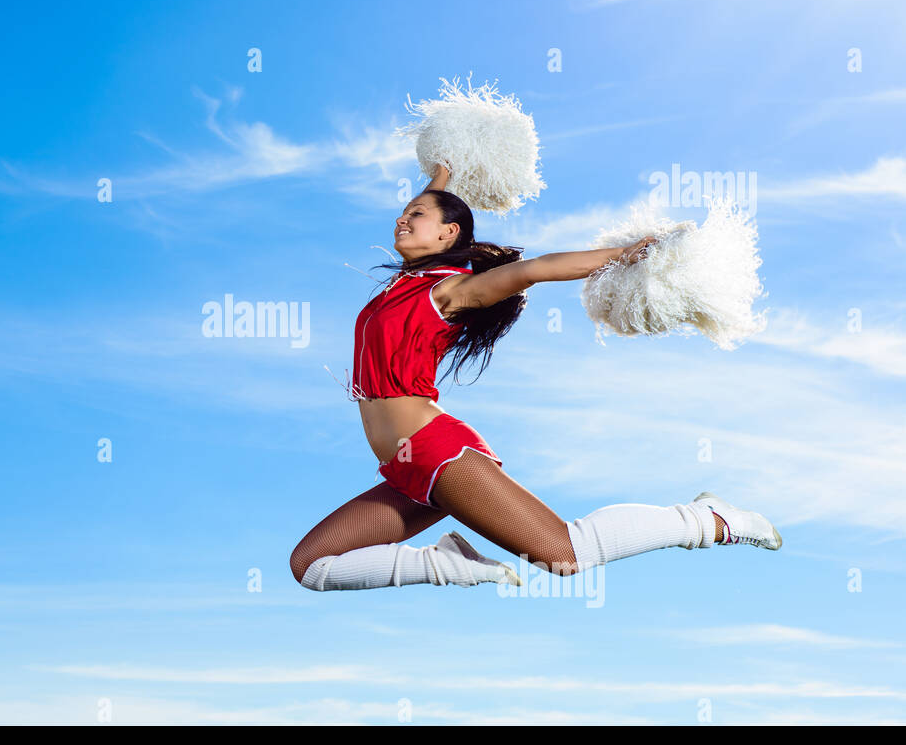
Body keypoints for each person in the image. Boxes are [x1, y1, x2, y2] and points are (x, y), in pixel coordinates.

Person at [291, 164, 781, 591]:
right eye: (406, 211)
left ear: (448, 235)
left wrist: (624, 252)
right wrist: (442, 173)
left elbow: (535, 270)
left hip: (436, 451)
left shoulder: (450, 292)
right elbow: (434, 204)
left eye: (417, 215)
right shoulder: (404, 285)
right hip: (403, 469)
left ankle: (711, 520)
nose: (403, 217)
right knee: (311, 565)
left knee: (566, 553)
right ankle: (447, 563)